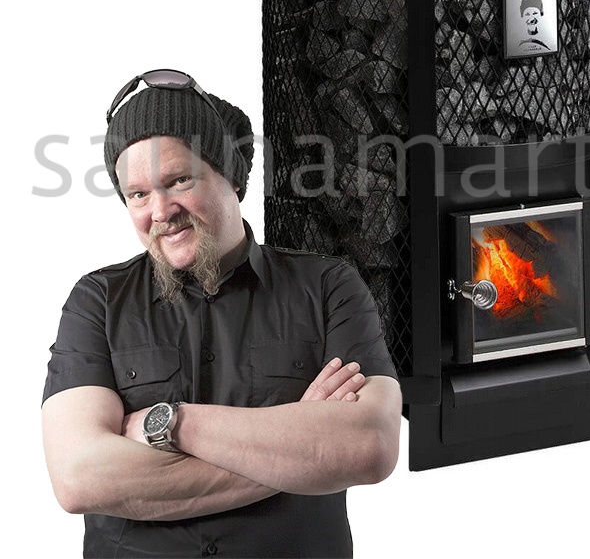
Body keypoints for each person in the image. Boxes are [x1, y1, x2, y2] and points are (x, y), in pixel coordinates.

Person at [41, 69, 402, 558]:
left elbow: (371, 446)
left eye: (179, 180)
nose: (160, 211)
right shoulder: (97, 302)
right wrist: (301, 450)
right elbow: (78, 478)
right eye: (138, 194)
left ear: (231, 177)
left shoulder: (328, 287)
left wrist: (171, 423)